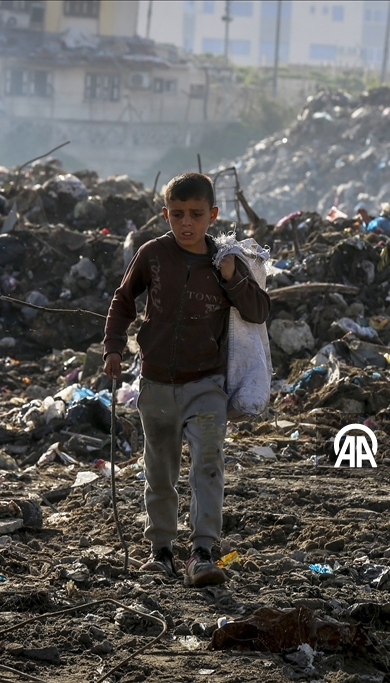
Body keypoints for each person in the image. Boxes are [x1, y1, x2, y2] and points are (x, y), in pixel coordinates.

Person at [103, 173, 270, 587]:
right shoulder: (153, 255)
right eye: (177, 215)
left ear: (212, 215)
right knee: (159, 471)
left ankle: (202, 553)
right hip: (157, 385)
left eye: (196, 214)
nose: (186, 223)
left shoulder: (223, 261)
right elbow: (124, 299)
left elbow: (258, 311)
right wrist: (113, 348)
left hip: (206, 386)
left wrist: (233, 277)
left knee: (208, 464)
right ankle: (161, 553)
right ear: (165, 215)